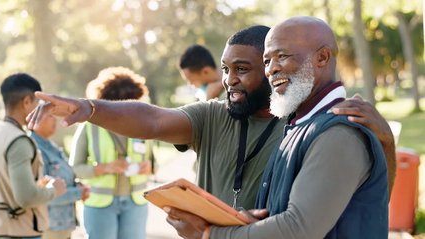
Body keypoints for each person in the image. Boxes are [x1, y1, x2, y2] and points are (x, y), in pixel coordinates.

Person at [26, 26, 395, 213]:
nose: (229, 80)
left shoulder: (309, 125)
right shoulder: (212, 116)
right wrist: (90, 109)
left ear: (272, 69)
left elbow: (371, 198)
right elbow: (153, 120)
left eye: (242, 69)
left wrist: (385, 142)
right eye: (224, 69)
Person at [164, 16, 389, 239]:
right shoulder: (299, 125)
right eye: (266, 61)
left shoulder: (340, 134)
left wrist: (207, 234)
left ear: (322, 57)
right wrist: (244, 223)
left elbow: (297, 229)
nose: (270, 70)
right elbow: (281, 216)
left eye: (281, 56)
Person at [68, 66, 153, 239]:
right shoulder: (88, 126)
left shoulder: (144, 124)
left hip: (136, 205)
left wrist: (148, 167)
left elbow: (153, 163)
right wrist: (105, 168)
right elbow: (75, 168)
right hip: (100, 206)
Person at [0, 73, 66, 239]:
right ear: (27, 102)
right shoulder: (19, 141)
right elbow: (26, 198)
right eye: (38, 104)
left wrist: (37, 185)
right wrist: (54, 190)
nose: (41, 110)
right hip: (19, 231)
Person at [30, 112, 90, 239]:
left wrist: (77, 185)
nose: (55, 119)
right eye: (49, 115)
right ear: (35, 119)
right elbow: (45, 194)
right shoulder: (35, 149)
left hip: (63, 226)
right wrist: (79, 193)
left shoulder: (52, 146)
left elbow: (64, 180)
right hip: (49, 229)